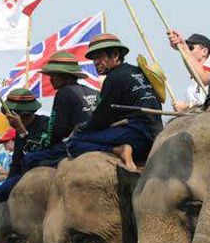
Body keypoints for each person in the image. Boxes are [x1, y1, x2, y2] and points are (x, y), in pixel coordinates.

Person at [67, 33, 163, 170]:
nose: (95, 62)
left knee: (74, 142)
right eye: (94, 58)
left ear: (115, 55)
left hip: (136, 135)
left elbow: (101, 118)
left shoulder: (114, 77)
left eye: (99, 57)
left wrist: (81, 129)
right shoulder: (138, 71)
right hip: (155, 134)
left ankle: (118, 150)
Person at [22, 51, 99, 170]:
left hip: (77, 143)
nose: (51, 80)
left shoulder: (63, 93)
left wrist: (44, 144)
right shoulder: (95, 92)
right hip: (98, 140)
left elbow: (57, 130)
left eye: (53, 75)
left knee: (30, 158)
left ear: (64, 76)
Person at [0, 89, 51, 201]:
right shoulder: (17, 132)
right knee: (3, 190)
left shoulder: (46, 124)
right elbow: (16, 163)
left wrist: (22, 131)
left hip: (46, 170)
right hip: (25, 175)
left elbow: (37, 154)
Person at [167, 32, 210, 111]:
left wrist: (186, 106)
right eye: (186, 47)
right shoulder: (192, 85)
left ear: (204, 51)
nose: (187, 50)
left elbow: (209, 102)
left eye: (190, 48)